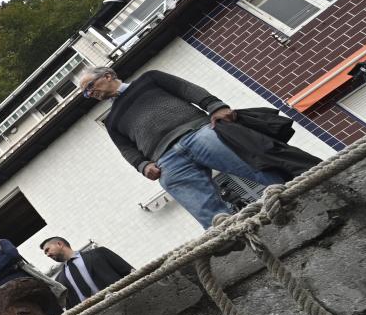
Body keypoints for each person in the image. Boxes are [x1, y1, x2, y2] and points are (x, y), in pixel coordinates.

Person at [78, 65, 287, 228]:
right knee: (204, 209)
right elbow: (126, 148)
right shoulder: (111, 121)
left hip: (197, 132)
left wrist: (215, 106)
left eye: (89, 86)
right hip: (164, 159)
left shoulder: (150, 79)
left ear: (107, 75)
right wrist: (142, 165)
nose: (90, 93)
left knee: (253, 164)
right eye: (86, 94)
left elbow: (186, 90)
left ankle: (291, 194)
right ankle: (231, 236)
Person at [41, 237, 132, 306]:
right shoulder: (59, 280)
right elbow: (70, 307)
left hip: (125, 300)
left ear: (59, 244)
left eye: (47, 250)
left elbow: (129, 272)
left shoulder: (100, 253)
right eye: (45, 254)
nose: (48, 255)